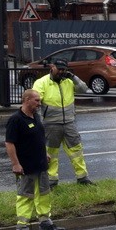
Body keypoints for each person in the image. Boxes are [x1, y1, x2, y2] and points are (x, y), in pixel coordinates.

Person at [5, 89, 66, 230]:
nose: (39, 103)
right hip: (26, 166)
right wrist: (16, 164)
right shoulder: (16, 120)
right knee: (25, 197)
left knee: (44, 194)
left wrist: (44, 153)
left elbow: (38, 138)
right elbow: (9, 143)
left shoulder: (36, 116)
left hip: (41, 164)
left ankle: (46, 224)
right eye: (36, 100)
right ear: (26, 100)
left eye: (39, 100)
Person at [33, 59, 93, 187]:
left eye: (63, 69)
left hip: (69, 123)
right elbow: (35, 102)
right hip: (51, 125)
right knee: (51, 154)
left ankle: (82, 178)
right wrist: (38, 123)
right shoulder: (42, 83)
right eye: (58, 69)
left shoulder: (69, 81)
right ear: (52, 67)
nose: (61, 72)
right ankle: (51, 180)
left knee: (77, 151)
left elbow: (84, 89)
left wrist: (73, 77)